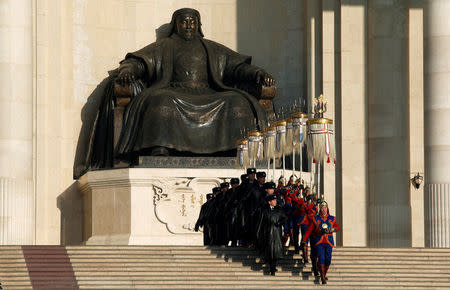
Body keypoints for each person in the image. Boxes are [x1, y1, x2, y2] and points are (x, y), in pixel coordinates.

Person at [74, 8, 276, 178]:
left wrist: (257, 73)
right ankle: (160, 147)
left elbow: (237, 67)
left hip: (209, 93)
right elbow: (140, 63)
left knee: (236, 101)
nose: (188, 25)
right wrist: (128, 71)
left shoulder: (212, 48)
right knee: (161, 100)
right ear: (175, 25)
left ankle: (233, 148)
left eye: (192, 22)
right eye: (184, 22)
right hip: (174, 91)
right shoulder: (165, 45)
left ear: (198, 25)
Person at [301, 200, 340, 284]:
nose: (324, 209)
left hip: (329, 241)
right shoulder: (316, 218)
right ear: (320, 209)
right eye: (322, 208)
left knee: (328, 260)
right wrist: (304, 239)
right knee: (321, 258)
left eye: (325, 208)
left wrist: (332, 229)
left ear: (327, 208)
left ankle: (324, 274)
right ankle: (322, 278)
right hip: (319, 241)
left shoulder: (332, 218)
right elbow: (309, 229)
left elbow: (337, 227)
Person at [256, 193, 287, 275]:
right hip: (268, 233)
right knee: (270, 252)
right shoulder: (265, 211)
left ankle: (273, 268)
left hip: (277, 233)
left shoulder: (279, 210)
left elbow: (284, 218)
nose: (275, 201)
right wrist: (258, 233)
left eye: (275, 200)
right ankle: (271, 268)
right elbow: (260, 222)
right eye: (273, 200)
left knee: (276, 251)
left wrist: (280, 223)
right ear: (269, 202)